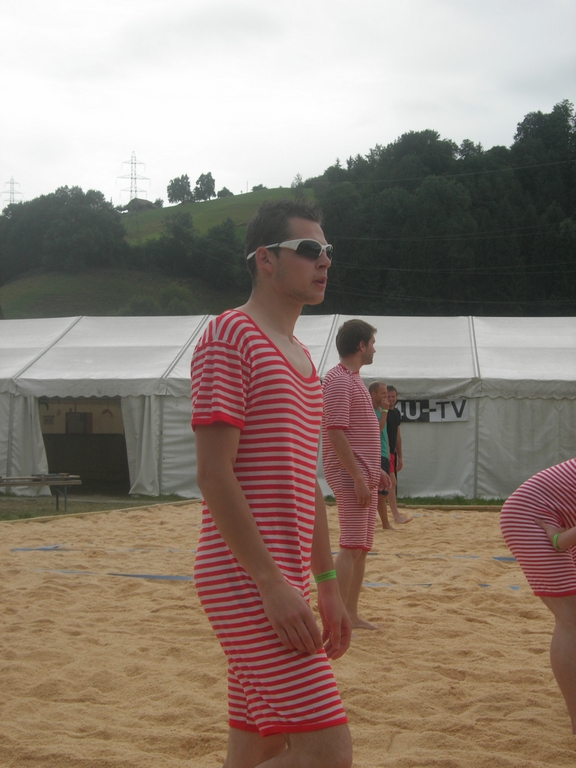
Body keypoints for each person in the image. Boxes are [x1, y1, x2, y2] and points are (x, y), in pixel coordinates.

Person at [191, 200, 352, 768]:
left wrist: (326, 583)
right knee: (327, 753)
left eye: (327, 250)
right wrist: (269, 583)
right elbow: (213, 474)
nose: (324, 260)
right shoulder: (228, 334)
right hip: (245, 575)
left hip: (282, 577)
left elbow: (307, 484)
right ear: (265, 259)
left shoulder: (304, 359)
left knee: (260, 745)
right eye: (309, 250)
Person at [322, 320, 391, 631]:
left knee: (361, 547)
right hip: (350, 475)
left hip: (362, 473)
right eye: (372, 343)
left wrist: (375, 470)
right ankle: (336, 616)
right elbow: (335, 434)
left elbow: (357, 434)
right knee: (351, 546)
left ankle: (350, 614)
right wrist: (358, 478)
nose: (375, 348)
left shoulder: (352, 379)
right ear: (361, 345)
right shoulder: (338, 380)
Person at [500, 458, 576, 732]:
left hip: (560, 516)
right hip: (531, 517)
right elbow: (561, 542)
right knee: (571, 617)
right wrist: (555, 537)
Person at [368, 381, 395, 530]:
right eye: (383, 393)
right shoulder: (371, 410)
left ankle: (385, 523)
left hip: (383, 452)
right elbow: (377, 430)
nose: (386, 396)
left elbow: (385, 434)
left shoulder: (379, 410)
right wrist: (385, 411)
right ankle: (385, 524)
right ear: (374, 394)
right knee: (379, 492)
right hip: (376, 453)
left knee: (384, 491)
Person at [386, 385, 412, 524]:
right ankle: (395, 515)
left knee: (390, 483)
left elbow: (397, 436)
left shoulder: (396, 413)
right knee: (390, 483)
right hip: (383, 451)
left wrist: (400, 456)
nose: (391, 399)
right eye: (388, 396)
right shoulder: (381, 412)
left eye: (393, 396)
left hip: (391, 453)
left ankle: (394, 515)